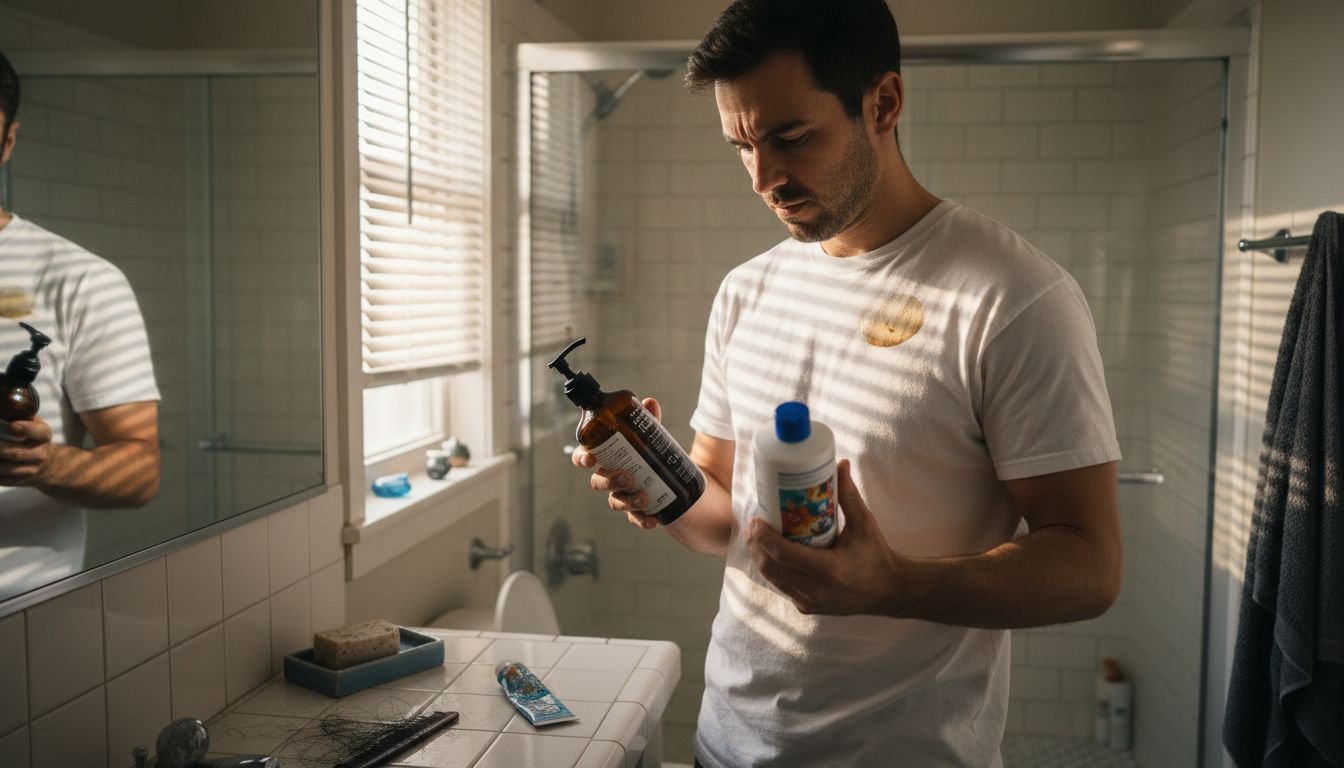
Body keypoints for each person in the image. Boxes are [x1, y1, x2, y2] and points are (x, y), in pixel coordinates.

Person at [570, 2, 1123, 766]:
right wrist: (659, 490)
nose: (764, 177)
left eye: (791, 138)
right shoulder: (746, 292)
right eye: (742, 145)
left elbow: (1090, 568)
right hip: (726, 744)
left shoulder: (1013, 297)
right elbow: (729, 525)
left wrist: (894, 585)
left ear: (883, 104)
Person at [0, 49, 162, 599]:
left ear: (8, 141)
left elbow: (140, 468)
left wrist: (44, 463)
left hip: (21, 617)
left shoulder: (80, 279)